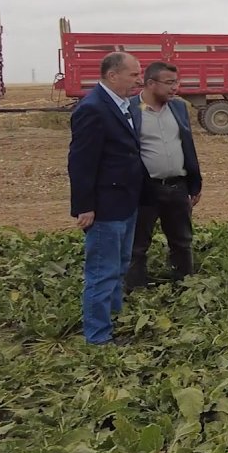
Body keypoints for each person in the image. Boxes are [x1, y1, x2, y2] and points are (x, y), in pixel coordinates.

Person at [67, 51, 143, 345]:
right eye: (134, 75)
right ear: (113, 76)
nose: (139, 80)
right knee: (102, 272)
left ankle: (114, 319)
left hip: (126, 202)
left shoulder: (125, 105)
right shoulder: (93, 109)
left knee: (120, 265)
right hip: (105, 208)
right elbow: (81, 161)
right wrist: (84, 206)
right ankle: (98, 338)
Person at [127, 61, 202, 289]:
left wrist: (194, 184)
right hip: (144, 189)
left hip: (177, 187)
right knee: (137, 244)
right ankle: (136, 289)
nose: (175, 87)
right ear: (150, 83)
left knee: (182, 241)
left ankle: (184, 286)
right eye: (169, 83)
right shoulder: (131, 110)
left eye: (176, 82)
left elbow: (187, 145)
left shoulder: (178, 108)